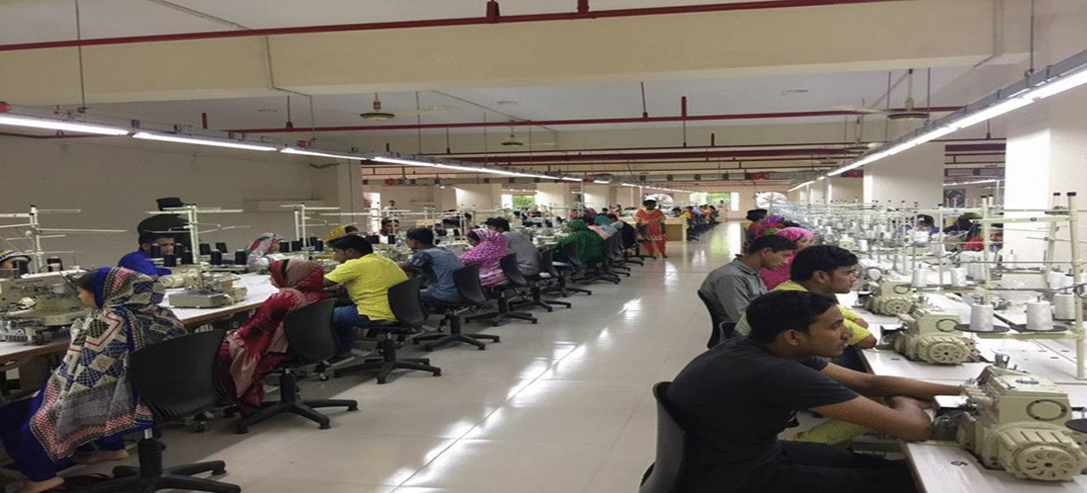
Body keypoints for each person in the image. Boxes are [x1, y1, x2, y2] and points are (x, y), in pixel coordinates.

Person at [668, 290, 962, 493]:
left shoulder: (763, 346)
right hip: (731, 478)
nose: (847, 333)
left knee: (894, 470)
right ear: (793, 336)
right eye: (835, 327)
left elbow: (867, 383)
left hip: (737, 456)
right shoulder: (779, 372)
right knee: (910, 485)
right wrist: (904, 400)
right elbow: (915, 428)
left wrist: (961, 390)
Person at [0, 268, 186, 493]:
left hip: (127, 402)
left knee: (13, 414)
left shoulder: (105, 322)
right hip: (164, 391)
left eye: (81, 292)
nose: (79, 298)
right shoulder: (162, 314)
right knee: (101, 388)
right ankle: (112, 448)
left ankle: (41, 477)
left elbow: (82, 378)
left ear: (103, 292)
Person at [219, 259, 325, 415]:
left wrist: (229, 336)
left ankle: (234, 400)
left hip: (279, 352)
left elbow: (253, 330)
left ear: (289, 276)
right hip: (302, 345)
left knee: (217, 351)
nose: (270, 278)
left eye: (273, 275)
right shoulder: (316, 293)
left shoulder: (285, 298)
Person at [735, 245, 877, 351]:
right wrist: (852, 328)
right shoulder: (798, 303)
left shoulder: (796, 290)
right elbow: (868, 340)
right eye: (847, 273)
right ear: (820, 276)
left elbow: (857, 320)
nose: (854, 279)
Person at [323, 235, 408, 353]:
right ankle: (343, 347)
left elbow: (319, 284)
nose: (335, 256)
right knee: (340, 307)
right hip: (402, 311)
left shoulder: (354, 264)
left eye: (337, 252)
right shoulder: (385, 261)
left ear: (349, 251)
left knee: (325, 314)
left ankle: (339, 351)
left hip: (375, 314)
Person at [699, 235, 796, 326]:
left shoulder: (751, 273)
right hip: (746, 333)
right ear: (766, 252)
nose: (785, 262)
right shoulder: (731, 277)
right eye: (784, 256)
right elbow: (741, 320)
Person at [401, 228, 465, 304]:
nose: (406, 242)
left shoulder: (425, 254)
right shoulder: (444, 250)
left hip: (444, 294)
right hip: (462, 292)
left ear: (415, 241)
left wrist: (390, 263)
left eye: (407, 240)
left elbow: (406, 267)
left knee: (402, 294)